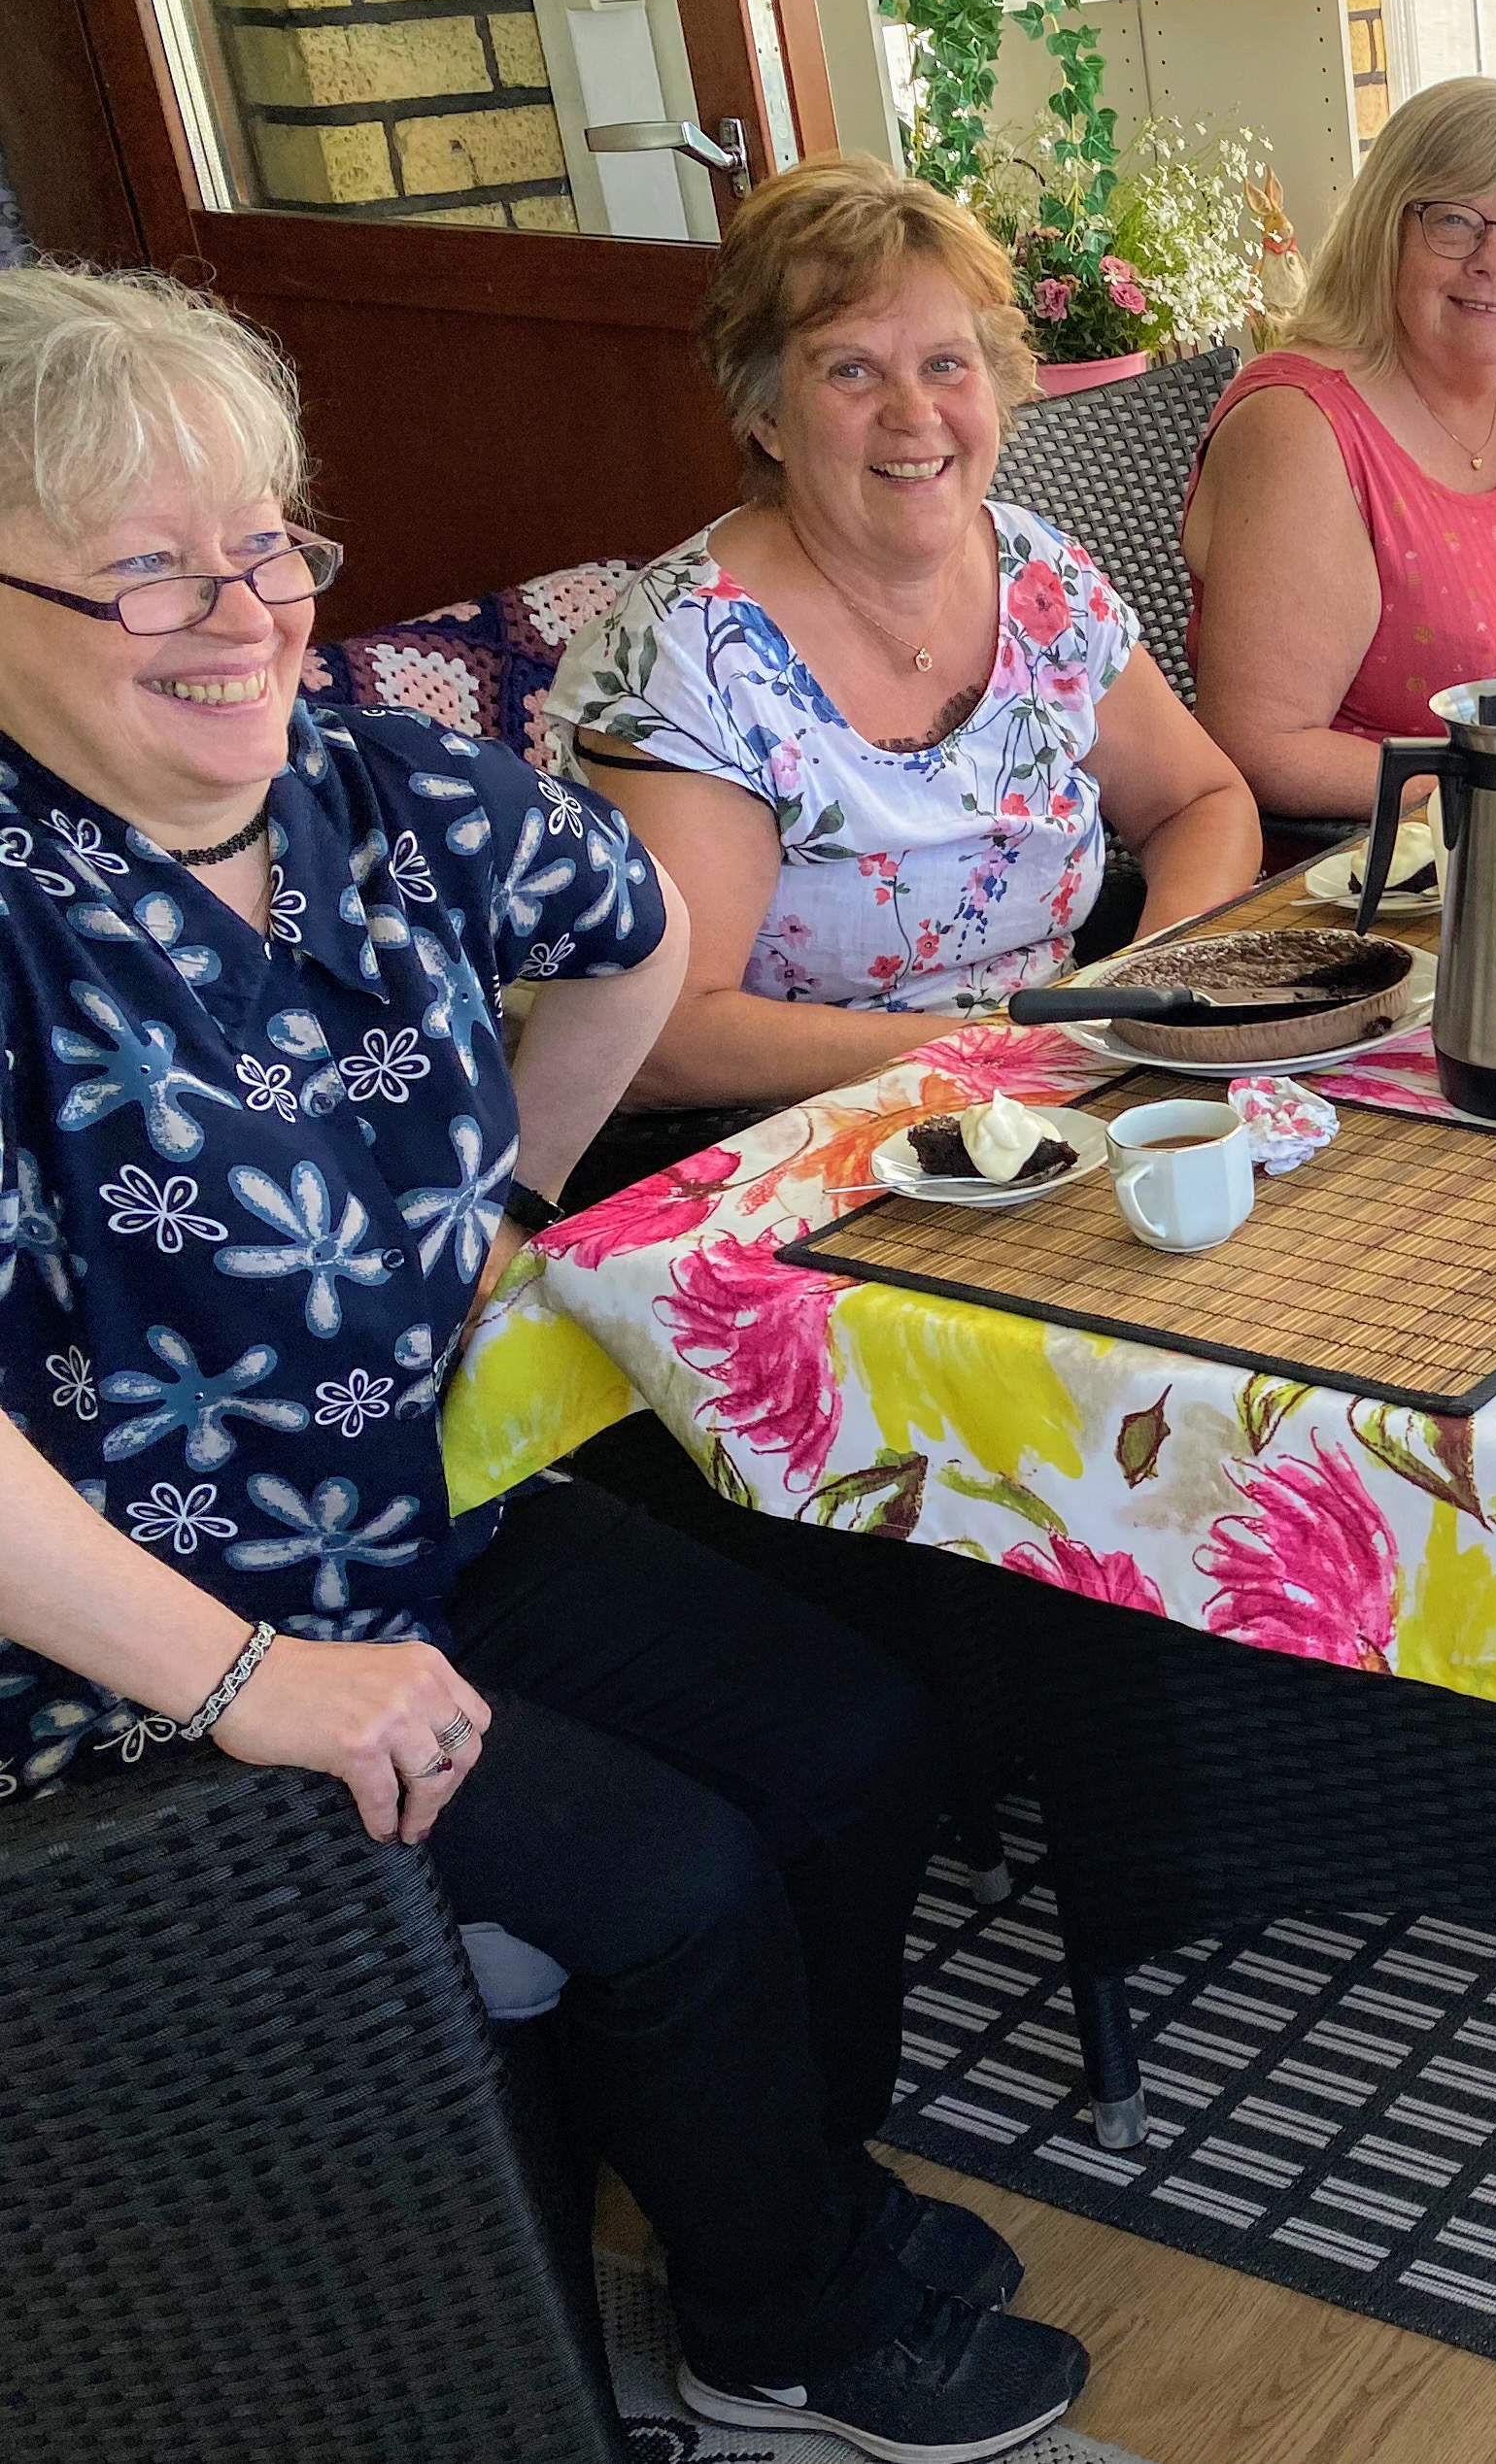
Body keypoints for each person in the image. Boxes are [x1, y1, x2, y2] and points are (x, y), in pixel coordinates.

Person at [0, 266, 1093, 2456]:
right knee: (676, 1878)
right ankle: (778, 2332)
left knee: (857, 1736)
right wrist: (249, 1683)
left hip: (417, 1506)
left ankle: (760, 2220)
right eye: (142, 567)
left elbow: (635, 930)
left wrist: (500, 1199)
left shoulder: (352, 781)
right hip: (123, 1644)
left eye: (265, 547)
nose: (239, 614)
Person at [538, 157, 1259, 1152]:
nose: (914, 414)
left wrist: (1140, 998)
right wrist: (993, 1050)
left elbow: (1201, 803)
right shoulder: (691, 656)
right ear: (765, 415)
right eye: (851, 370)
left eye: (945, 365)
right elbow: (666, 1036)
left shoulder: (1037, 574)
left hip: (1053, 1095)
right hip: (794, 1140)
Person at [1181, 77, 1496, 821]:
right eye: (1454, 222)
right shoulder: (1299, 428)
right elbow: (1262, 744)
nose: (1495, 261)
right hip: (1379, 878)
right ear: (1385, 231)